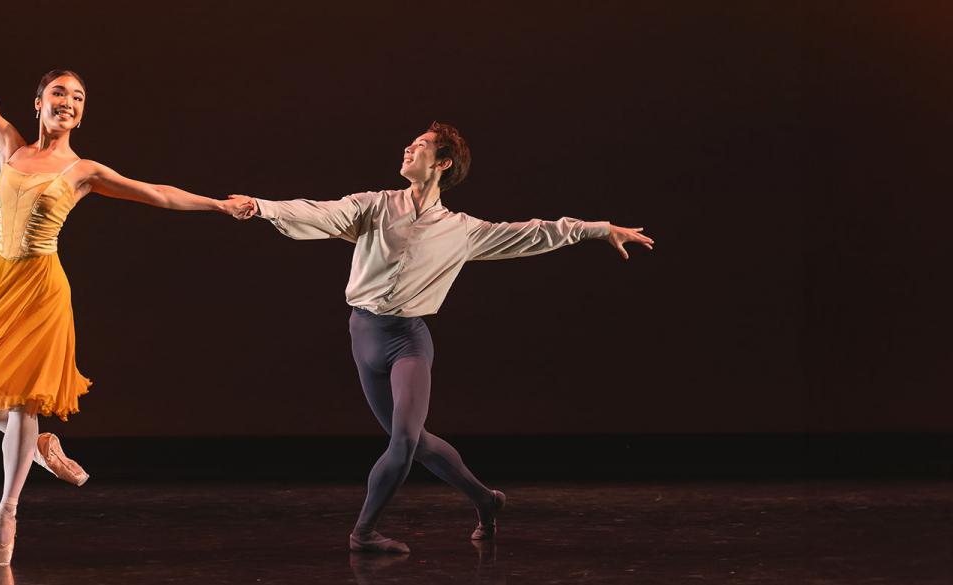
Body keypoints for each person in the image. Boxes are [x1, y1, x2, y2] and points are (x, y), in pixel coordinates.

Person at [0, 14, 255, 565]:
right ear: (38, 103)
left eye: (78, 97)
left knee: (23, 398)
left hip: (43, 288)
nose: (69, 101)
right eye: (58, 92)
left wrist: (216, 203)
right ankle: (43, 450)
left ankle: (8, 508)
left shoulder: (82, 169)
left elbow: (157, 193)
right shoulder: (11, 148)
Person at [229, 122, 653, 554]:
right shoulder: (372, 206)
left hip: (408, 341)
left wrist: (598, 228)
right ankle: (486, 501)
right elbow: (319, 212)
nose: (408, 148)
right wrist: (262, 207)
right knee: (415, 440)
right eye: (410, 143)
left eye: (421, 145)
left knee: (405, 441)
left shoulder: (462, 230)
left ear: (442, 163)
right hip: (363, 333)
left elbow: (534, 232)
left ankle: (363, 534)